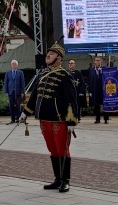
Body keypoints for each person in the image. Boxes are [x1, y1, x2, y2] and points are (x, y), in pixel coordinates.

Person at [25, 43, 78, 193]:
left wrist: (71, 121)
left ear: (59, 59)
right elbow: (35, 95)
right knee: (53, 150)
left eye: (52, 53)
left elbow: (71, 100)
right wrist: (25, 111)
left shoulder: (65, 76)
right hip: (44, 119)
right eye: (48, 53)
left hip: (59, 119)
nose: (48, 55)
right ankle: (57, 179)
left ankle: (65, 180)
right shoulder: (42, 74)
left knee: (62, 150)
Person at [87, 56, 109, 124]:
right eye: (96, 60)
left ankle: (106, 118)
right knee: (96, 105)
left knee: (105, 104)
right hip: (95, 90)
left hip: (104, 90)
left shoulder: (105, 69)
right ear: (94, 62)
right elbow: (90, 81)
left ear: (101, 61)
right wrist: (90, 91)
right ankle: (97, 118)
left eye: (99, 60)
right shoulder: (91, 70)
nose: (98, 61)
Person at [4, 60, 25, 125]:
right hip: (11, 92)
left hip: (18, 92)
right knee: (11, 106)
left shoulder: (20, 72)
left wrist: (22, 92)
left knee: (18, 106)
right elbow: (6, 82)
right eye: (12, 64)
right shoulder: (8, 72)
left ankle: (18, 118)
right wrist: (6, 91)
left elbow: (22, 82)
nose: (14, 65)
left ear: (17, 65)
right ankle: (12, 119)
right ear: (11, 65)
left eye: (15, 64)